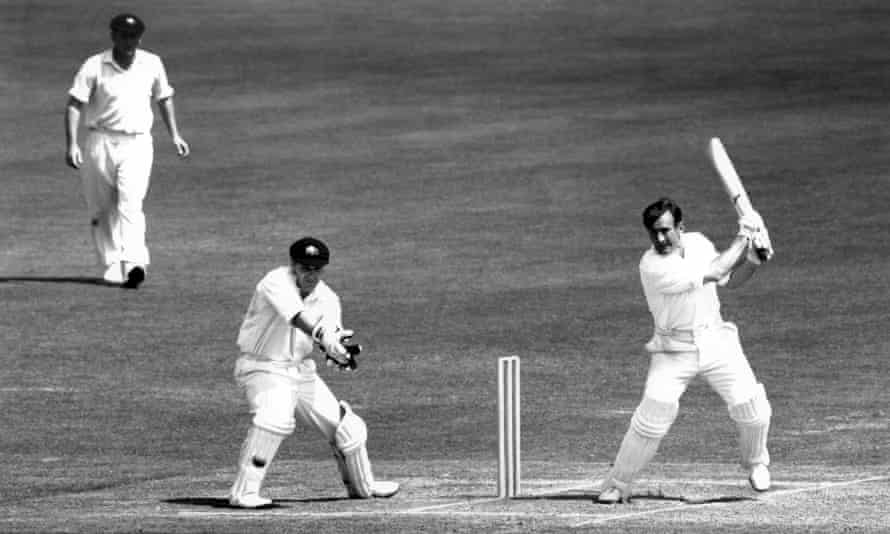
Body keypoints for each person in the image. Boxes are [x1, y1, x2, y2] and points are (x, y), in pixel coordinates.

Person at [597, 197, 774, 504]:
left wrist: (753, 261)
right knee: (653, 415)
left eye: (666, 230)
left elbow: (730, 279)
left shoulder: (699, 243)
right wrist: (745, 236)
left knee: (753, 408)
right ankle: (618, 482)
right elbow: (717, 271)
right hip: (673, 349)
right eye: (654, 232)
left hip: (716, 340)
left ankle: (756, 462)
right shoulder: (652, 265)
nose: (660, 238)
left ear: (681, 227)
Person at [228, 237, 399, 508]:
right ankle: (244, 493)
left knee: (347, 427)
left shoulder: (328, 298)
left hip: (300, 370)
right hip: (262, 367)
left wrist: (339, 351)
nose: (311, 274)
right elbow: (296, 315)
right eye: (305, 268)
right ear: (293, 265)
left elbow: (332, 334)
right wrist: (322, 334)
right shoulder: (275, 281)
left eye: (317, 269)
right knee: (275, 419)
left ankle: (364, 487)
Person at [65, 13, 190, 289]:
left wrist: (175, 135)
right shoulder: (95, 65)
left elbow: (164, 98)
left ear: (140, 37)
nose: (129, 41)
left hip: (137, 143)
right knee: (101, 208)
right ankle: (111, 263)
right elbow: (74, 104)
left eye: (133, 36)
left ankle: (134, 262)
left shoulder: (152, 63)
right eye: (123, 35)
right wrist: (72, 144)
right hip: (100, 141)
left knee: (131, 203)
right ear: (113, 36)